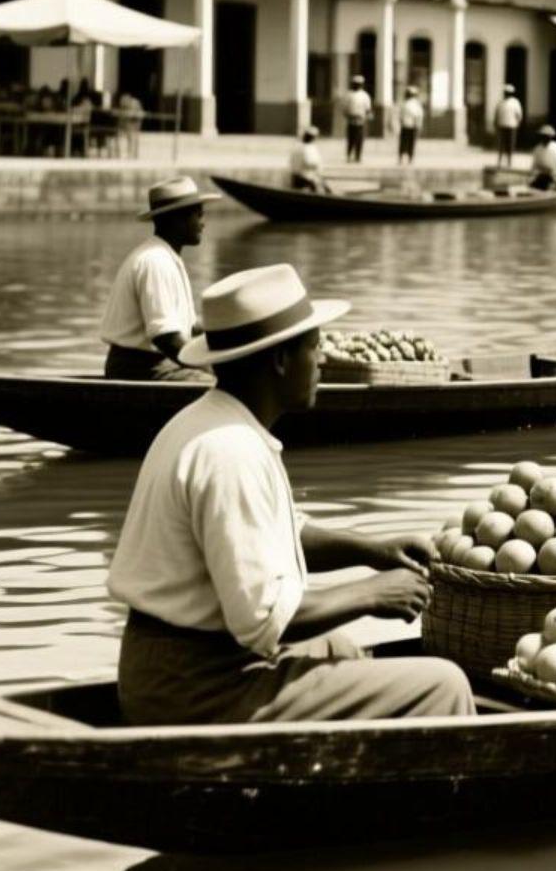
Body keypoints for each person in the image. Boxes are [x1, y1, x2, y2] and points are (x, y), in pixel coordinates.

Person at [109, 263, 472, 725]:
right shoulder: (231, 452)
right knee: (445, 685)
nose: (320, 362)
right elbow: (264, 620)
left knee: (339, 648)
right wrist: (372, 594)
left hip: (166, 667)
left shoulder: (210, 422)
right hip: (197, 689)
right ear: (280, 361)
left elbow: (273, 536)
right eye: (314, 347)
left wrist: (373, 550)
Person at [99, 177, 221, 382]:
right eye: (198, 214)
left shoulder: (166, 257)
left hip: (155, 362)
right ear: (177, 219)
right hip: (138, 367)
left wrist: (228, 330)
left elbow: (189, 329)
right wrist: (209, 370)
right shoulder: (156, 261)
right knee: (219, 387)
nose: (203, 221)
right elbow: (167, 338)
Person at [342, 76, 371, 163]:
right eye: (355, 84)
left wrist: (364, 116)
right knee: (351, 139)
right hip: (352, 119)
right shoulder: (349, 95)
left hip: (360, 119)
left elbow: (367, 109)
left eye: (358, 84)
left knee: (359, 139)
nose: (357, 86)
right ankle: (349, 155)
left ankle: (358, 156)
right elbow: (345, 108)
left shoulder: (364, 95)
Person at [289, 126, 327, 193]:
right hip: (307, 177)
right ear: (313, 138)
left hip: (296, 176)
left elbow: (291, 162)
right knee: (324, 190)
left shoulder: (298, 147)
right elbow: (311, 163)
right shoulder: (309, 148)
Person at [529, 124, 556, 191]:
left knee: (549, 188)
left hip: (554, 177)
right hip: (542, 176)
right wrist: (531, 175)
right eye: (543, 136)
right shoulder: (537, 148)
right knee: (531, 187)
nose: (545, 138)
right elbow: (534, 165)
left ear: (551, 137)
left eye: (547, 136)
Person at [493, 84, 522, 167]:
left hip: (512, 126)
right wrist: (496, 124)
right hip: (502, 125)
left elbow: (519, 115)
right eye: (506, 92)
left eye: (508, 93)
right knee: (501, 145)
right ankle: (500, 161)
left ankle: (510, 162)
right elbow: (496, 114)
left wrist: (517, 123)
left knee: (510, 145)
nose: (507, 94)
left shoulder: (515, 102)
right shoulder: (500, 103)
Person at [396, 86, 424, 166]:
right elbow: (419, 116)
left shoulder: (404, 104)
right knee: (411, 144)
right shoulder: (417, 105)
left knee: (403, 143)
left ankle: (401, 159)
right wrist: (419, 126)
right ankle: (410, 159)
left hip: (405, 126)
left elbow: (400, 116)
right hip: (413, 126)